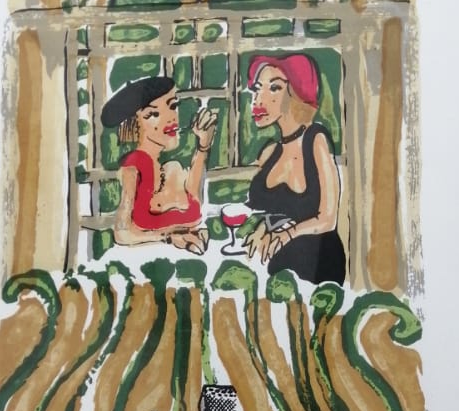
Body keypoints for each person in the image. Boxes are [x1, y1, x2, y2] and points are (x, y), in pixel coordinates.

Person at [245, 53, 346, 286]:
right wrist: (262, 227)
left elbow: (328, 219)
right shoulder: (269, 152)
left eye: (274, 88)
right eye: (257, 89)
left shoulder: (316, 139)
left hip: (316, 265)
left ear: (297, 93)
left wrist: (285, 235)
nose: (258, 99)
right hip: (273, 265)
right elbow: (272, 211)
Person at [102, 74, 217, 254]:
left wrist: (203, 146)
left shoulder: (174, 168)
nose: (171, 118)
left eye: (173, 106)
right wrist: (170, 238)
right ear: (134, 125)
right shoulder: (134, 167)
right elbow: (122, 234)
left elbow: (195, 203)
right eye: (153, 114)